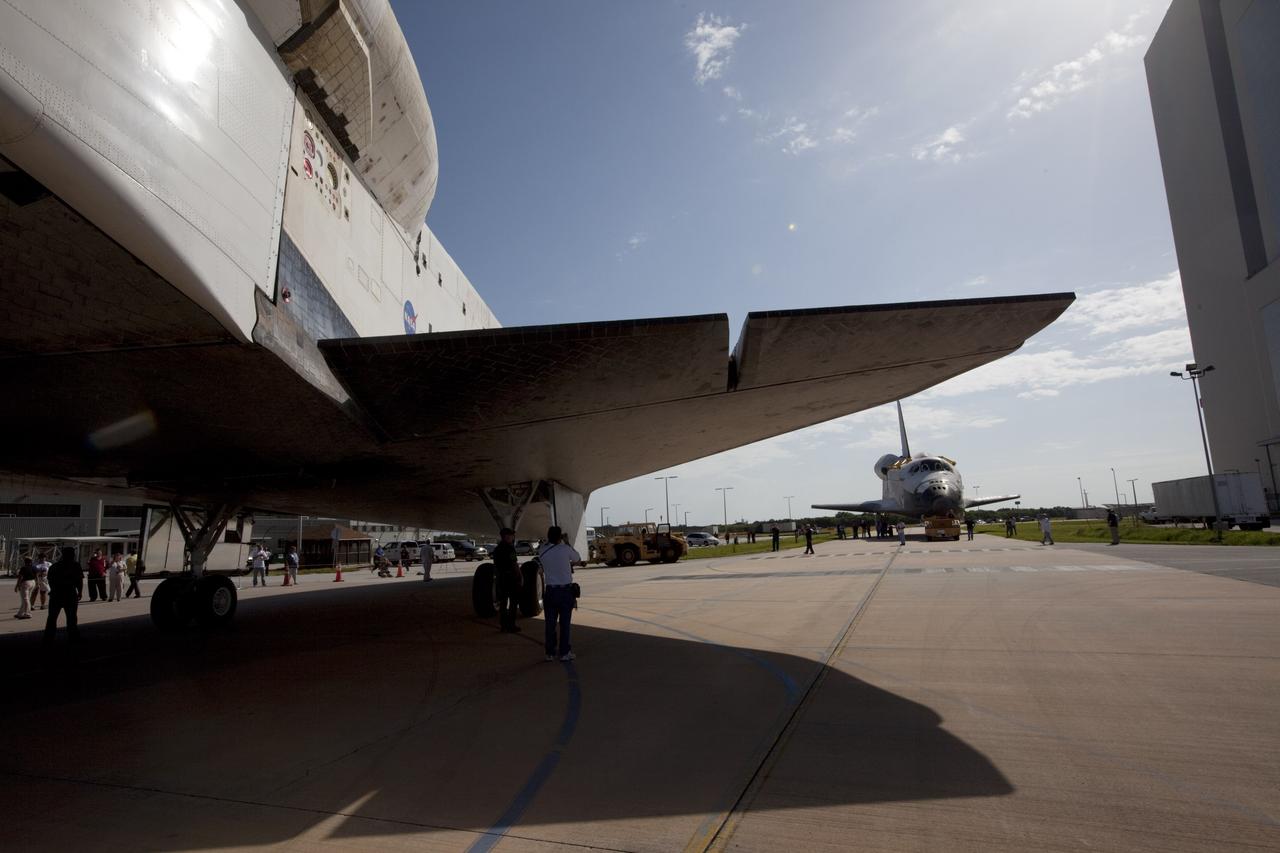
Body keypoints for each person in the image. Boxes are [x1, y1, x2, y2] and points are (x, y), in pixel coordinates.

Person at [538, 526, 584, 661]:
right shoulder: (565, 549)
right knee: (565, 624)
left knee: (550, 624)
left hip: (550, 591)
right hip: (565, 591)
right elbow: (577, 558)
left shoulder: (542, 550)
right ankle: (564, 652)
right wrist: (567, 542)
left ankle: (550, 653)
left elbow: (544, 552)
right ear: (560, 537)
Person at [44, 547, 83, 644]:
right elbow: (79, 581)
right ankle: (73, 638)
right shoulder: (75, 566)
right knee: (71, 618)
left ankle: (48, 638)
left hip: (56, 595)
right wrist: (80, 592)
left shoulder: (55, 566)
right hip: (70, 594)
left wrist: (54, 589)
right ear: (71, 555)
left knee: (52, 618)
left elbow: (50, 580)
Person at [493, 528, 522, 633]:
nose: (512, 537)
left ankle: (503, 625)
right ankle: (511, 625)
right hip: (511, 579)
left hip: (501, 579)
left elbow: (496, 566)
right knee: (513, 603)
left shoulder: (497, 549)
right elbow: (514, 564)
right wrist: (519, 576)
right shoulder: (510, 549)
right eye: (511, 535)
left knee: (503, 603)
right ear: (506, 536)